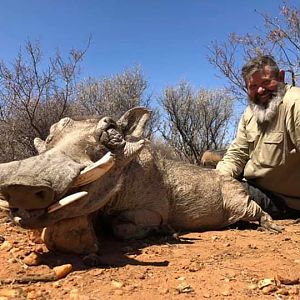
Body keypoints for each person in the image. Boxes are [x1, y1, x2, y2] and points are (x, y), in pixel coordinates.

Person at [216, 55, 300, 218]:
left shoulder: (295, 103)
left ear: (281, 77)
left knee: (217, 198)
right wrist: (216, 181)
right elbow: (238, 154)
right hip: (254, 182)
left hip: (283, 199)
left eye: (266, 82)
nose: (260, 90)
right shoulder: (251, 111)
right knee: (209, 171)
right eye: (253, 86)